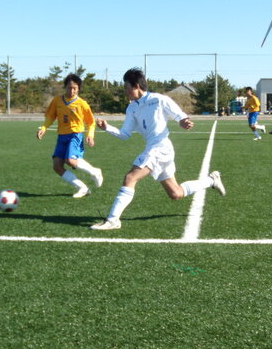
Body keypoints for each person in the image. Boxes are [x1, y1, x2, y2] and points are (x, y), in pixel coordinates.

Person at [91, 68, 226, 230]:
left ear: (136, 86)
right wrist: (107, 127)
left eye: (126, 87)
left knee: (130, 178)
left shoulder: (159, 99)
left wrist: (184, 121)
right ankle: (211, 180)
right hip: (156, 149)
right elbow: (125, 134)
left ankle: (113, 220)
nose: (125, 91)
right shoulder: (131, 108)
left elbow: (179, 114)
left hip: (160, 147)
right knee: (176, 193)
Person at [37, 73, 103, 198]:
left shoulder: (82, 104)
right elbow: (51, 116)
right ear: (65, 87)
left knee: (70, 160)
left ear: (78, 89)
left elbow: (90, 122)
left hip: (75, 135)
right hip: (62, 136)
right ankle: (82, 187)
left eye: (75, 88)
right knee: (57, 166)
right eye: (69, 87)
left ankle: (95, 172)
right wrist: (44, 127)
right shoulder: (57, 100)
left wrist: (90, 134)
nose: (71, 90)